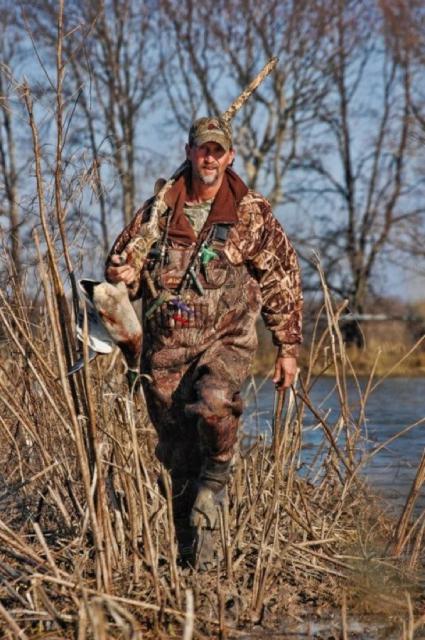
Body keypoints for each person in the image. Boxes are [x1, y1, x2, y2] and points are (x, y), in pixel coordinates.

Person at [105, 116, 303, 569]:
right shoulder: (157, 211)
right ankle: (192, 564)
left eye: (218, 151)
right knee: (178, 460)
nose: (209, 158)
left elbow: (281, 278)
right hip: (165, 352)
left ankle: (217, 479)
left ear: (229, 157)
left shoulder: (250, 212)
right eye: (202, 149)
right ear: (189, 152)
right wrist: (122, 273)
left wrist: (288, 347)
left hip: (225, 342)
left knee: (215, 405)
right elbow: (122, 273)